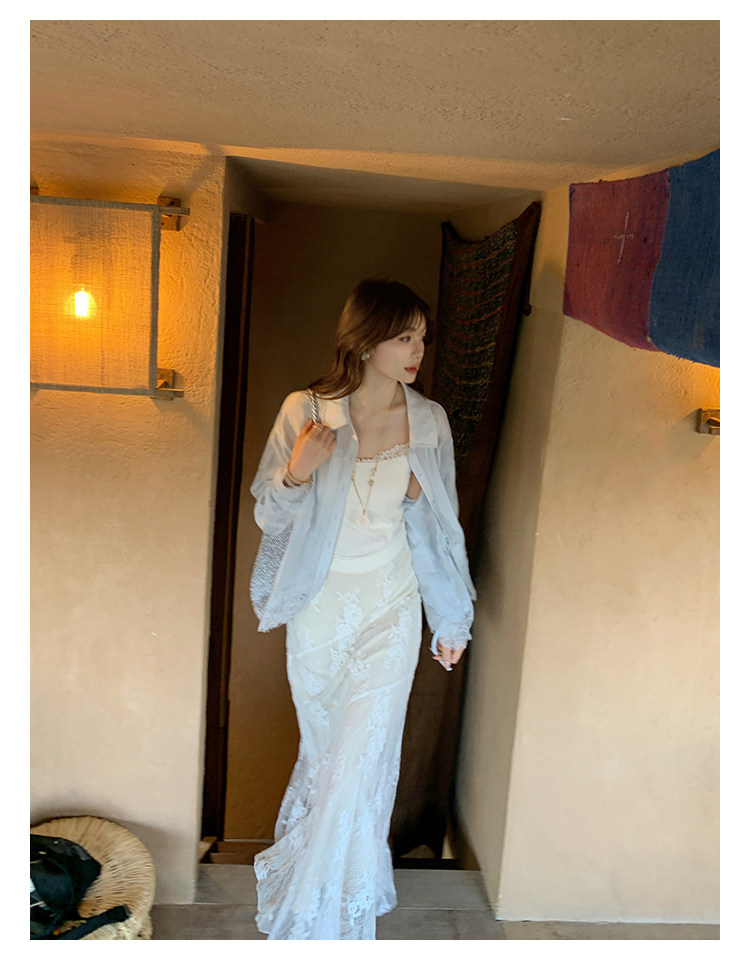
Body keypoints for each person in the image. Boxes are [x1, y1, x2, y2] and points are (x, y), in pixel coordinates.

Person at [249, 277, 476, 940]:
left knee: (363, 755)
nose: (418, 351)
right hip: (321, 613)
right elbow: (269, 514)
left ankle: (320, 923)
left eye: (422, 338)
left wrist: (451, 618)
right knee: (331, 759)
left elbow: (438, 530)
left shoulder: (428, 422)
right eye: (405, 337)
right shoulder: (307, 411)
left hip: (391, 609)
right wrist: (297, 470)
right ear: (367, 339)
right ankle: (340, 891)